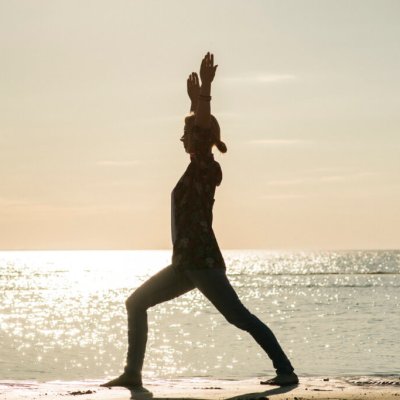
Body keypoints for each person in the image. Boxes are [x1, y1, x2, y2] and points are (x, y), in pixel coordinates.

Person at [101, 53, 298, 390]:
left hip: (203, 262)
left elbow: (203, 129)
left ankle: (286, 370)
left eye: (186, 134)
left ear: (199, 138)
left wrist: (205, 90)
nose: (182, 138)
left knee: (238, 316)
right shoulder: (196, 167)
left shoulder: (206, 167)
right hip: (184, 263)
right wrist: (194, 103)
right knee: (136, 303)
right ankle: (132, 374)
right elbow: (200, 128)